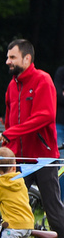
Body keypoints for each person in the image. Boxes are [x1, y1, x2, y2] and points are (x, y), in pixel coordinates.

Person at [2, 38, 64, 238]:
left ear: (27, 58)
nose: (7, 61)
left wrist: (11, 132)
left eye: (12, 57)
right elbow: (10, 119)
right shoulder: (12, 86)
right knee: (10, 210)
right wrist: (7, 141)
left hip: (44, 159)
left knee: (54, 212)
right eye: (8, 57)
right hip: (19, 160)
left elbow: (45, 116)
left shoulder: (43, 80)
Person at [53, 64, 64, 198]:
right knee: (61, 164)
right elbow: (57, 96)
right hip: (60, 124)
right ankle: (60, 201)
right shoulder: (61, 71)